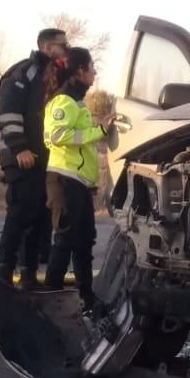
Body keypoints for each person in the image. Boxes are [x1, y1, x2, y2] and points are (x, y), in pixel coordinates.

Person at [0, 27, 68, 288]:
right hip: (21, 156)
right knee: (20, 214)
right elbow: (7, 113)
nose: (67, 48)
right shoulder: (23, 73)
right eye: (63, 44)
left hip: (46, 159)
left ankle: (28, 274)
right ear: (48, 47)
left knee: (40, 216)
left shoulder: (55, 77)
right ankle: (4, 272)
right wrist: (20, 148)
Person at [43, 48, 112, 311]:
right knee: (65, 240)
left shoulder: (77, 103)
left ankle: (86, 298)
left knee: (84, 241)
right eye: (92, 67)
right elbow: (56, 136)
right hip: (64, 181)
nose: (95, 72)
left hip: (78, 183)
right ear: (80, 71)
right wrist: (99, 131)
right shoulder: (63, 102)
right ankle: (50, 300)